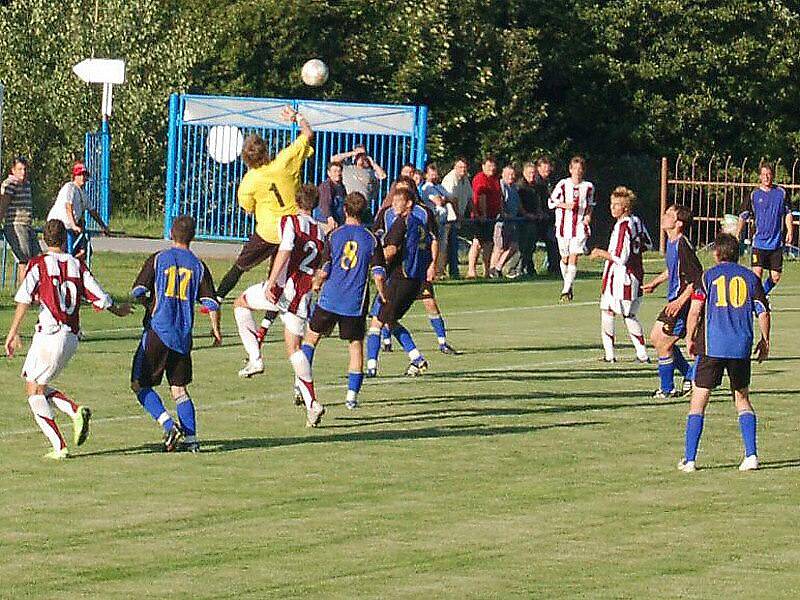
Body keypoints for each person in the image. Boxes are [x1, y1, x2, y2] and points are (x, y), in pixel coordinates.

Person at [4, 219, 131, 459]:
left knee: (35, 392)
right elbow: (100, 297)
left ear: (44, 239)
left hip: (50, 335)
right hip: (71, 336)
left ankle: (60, 443)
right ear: (65, 240)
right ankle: (74, 413)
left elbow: (24, 298)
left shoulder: (39, 264)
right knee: (33, 386)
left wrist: (13, 331)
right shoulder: (77, 265)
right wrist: (118, 310)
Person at [233, 185, 327, 427]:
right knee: (294, 348)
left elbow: (285, 252)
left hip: (284, 288)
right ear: (315, 205)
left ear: (296, 202)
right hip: (303, 295)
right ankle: (312, 404)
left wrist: (272, 281)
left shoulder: (290, 222)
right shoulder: (320, 230)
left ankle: (255, 358)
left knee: (240, 303)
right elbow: (320, 265)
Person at [678, 232, 770, 473]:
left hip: (713, 346)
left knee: (699, 401)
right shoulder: (750, 277)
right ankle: (751, 455)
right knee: (742, 398)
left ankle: (690, 460)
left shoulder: (708, 276)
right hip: (740, 347)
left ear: (717, 253)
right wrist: (765, 340)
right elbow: (762, 311)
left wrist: (689, 337)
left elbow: (695, 310)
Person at [131, 215, 222, 453]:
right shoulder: (199, 265)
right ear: (193, 237)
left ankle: (168, 424)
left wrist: (148, 304)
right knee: (179, 389)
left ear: (171, 233)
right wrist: (216, 331)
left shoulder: (159, 258)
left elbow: (138, 290)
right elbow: (211, 303)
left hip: (157, 331)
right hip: (182, 336)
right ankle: (192, 441)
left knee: (139, 384)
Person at [293, 192, 387, 411]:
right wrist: (382, 293)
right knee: (355, 347)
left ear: (345, 210)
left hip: (329, 299)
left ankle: (300, 385)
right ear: (364, 212)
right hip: (354, 304)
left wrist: (316, 283)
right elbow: (379, 274)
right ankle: (351, 397)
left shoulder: (335, 235)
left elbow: (325, 270)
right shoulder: (371, 239)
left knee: (310, 340)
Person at [215, 106, 313, 304]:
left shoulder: (249, 181)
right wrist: (297, 117)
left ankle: (216, 298)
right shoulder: (284, 161)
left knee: (240, 266)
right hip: (292, 229)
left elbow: (247, 207)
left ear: (246, 159)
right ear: (266, 150)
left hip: (267, 231)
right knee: (281, 278)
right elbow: (308, 134)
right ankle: (269, 319)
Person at [373, 176, 458, 356]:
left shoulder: (423, 212)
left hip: (417, 265)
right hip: (393, 268)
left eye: (405, 189)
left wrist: (433, 264)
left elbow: (433, 239)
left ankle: (442, 341)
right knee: (386, 304)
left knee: (428, 300)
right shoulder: (386, 213)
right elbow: (379, 237)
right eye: (398, 189)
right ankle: (386, 341)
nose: (399, 194)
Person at [366, 188, 434, 377]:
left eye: (398, 201)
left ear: (409, 204)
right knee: (390, 320)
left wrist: (372, 262)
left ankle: (371, 368)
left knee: (376, 322)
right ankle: (417, 359)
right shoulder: (420, 224)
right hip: (414, 280)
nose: (394, 204)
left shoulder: (401, 222)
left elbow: (391, 250)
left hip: (399, 278)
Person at [642, 204, 703, 399]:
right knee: (656, 338)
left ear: (678, 223)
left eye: (669, 214)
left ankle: (668, 388)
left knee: (663, 342)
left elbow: (697, 278)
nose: (664, 216)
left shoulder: (682, 245)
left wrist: (680, 301)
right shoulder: (672, 242)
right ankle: (688, 374)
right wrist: (655, 282)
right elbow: (674, 269)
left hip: (683, 303)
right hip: (676, 300)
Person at [588, 186, 652, 363]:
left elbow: (620, 257)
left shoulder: (623, 226)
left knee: (621, 313)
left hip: (622, 276)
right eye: (611, 204)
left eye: (616, 205)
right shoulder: (637, 221)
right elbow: (648, 244)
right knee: (613, 311)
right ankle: (617, 355)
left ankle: (634, 354)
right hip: (634, 273)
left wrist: (600, 253)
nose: (612, 208)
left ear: (625, 208)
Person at [736, 163, 793, 295]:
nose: (766, 177)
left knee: (775, 277)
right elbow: (743, 216)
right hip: (759, 243)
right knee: (757, 276)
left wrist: (790, 231)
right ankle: (757, 301)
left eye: (769, 174)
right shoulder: (754, 195)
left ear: (772, 175)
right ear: (760, 177)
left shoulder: (781, 193)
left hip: (776, 243)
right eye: (764, 175)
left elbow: (788, 213)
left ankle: (761, 295)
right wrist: (737, 233)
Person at [549, 156, 594, 302]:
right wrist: (565, 205)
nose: (577, 172)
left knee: (574, 256)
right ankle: (568, 285)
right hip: (563, 226)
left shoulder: (588, 187)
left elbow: (590, 205)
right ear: (570, 170)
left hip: (579, 227)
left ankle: (565, 290)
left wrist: (588, 216)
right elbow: (551, 201)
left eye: (580, 169)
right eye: (575, 169)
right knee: (565, 259)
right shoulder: (563, 184)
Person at [47, 161, 110, 258]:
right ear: (74, 176)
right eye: (79, 174)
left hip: (71, 227)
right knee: (64, 254)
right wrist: (73, 225)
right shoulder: (70, 187)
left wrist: (103, 226)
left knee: (85, 251)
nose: (82, 177)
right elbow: (68, 206)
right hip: (59, 226)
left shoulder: (83, 193)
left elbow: (92, 211)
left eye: (84, 175)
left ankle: (75, 268)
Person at [0, 157, 39, 283]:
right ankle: (24, 295)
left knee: (37, 259)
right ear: (13, 170)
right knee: (24, 261)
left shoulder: (27, 184)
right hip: (15, 225)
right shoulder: (10, 183)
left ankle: (35, 293)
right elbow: (3, 205)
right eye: (20, 169)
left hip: (27, 225)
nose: (23, 172)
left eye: (25, 169)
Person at [516, 158, 557, 277]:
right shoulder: (520, 187)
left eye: (533, 173)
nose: (532, 175)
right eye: (529, 173)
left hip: (539, 220)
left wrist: (540, 213)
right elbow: (519, 205)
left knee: (552, 239)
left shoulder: (539, 186)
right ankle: (525, 268)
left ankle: (554, 267)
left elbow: (539, 203)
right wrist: (528, 215)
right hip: (524, 221)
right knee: (528, 244)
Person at [468, 156, 501, 278]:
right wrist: (483, 214)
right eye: (488, 166)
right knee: (477, 243)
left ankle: (486, 270)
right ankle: (471, 270)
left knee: (488, 244)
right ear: (483, 166)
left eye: (493, 166)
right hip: (480, 217)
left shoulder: (495, 179)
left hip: (492, 217)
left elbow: (499, 197)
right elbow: (481, 197)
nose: (491, 168)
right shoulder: (480, 178)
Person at [331, 144, 387, 215]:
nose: (360, 157)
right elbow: (333, 159)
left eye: (362, 155)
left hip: (365, 207)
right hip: (350, 206)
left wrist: (371, 160)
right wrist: (353, 153)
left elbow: (383, 176)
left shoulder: (370, 172)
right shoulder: (347, 168)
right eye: (358, 155)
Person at [419, 163, 452, 278]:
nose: (434, 176)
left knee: (443, 246)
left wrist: (444, 199)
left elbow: (451, 198)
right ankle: (433, 271)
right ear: (426, 175)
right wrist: (443, 199)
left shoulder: (439, 187)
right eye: (431, 174)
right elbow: (439, 201)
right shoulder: (427, 188)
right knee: (434, 246)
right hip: (434, 220)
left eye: (435, 173)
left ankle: (440, 271)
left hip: (443, 220)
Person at [441, 157, 472, 279]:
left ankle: (454, 271)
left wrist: (474, 213)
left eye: (464, 167)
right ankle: (442, 272)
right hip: (448, 218)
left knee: (453, 245)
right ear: (455, 167)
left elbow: (470, 198)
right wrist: (458, 215)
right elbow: (452, 199)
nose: (462, 170)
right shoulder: (450, 179)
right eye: (460, 167)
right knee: (445, 245)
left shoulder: (465, 179)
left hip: (456, 217)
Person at [489, 165, 521, 278]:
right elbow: (500, 200)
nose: (511, 177)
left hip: (512, 222)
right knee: (499, 247)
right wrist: (503, 214)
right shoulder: (501, 185)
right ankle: (492, 270)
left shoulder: (514, 188)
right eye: (508, 174)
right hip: (501, 222)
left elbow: (518, 204)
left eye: (512, 174)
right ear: (503, 174)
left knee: (514, 246)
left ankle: (498, 267)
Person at [315, 160, 347, 229]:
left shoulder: (342, 187)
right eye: (335, 171)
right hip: (325, 222)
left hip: (338, 222)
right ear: (329, 173)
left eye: (339, 171)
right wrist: (329, 218)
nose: (338, 173)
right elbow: (325, 203)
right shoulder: (326, 186)